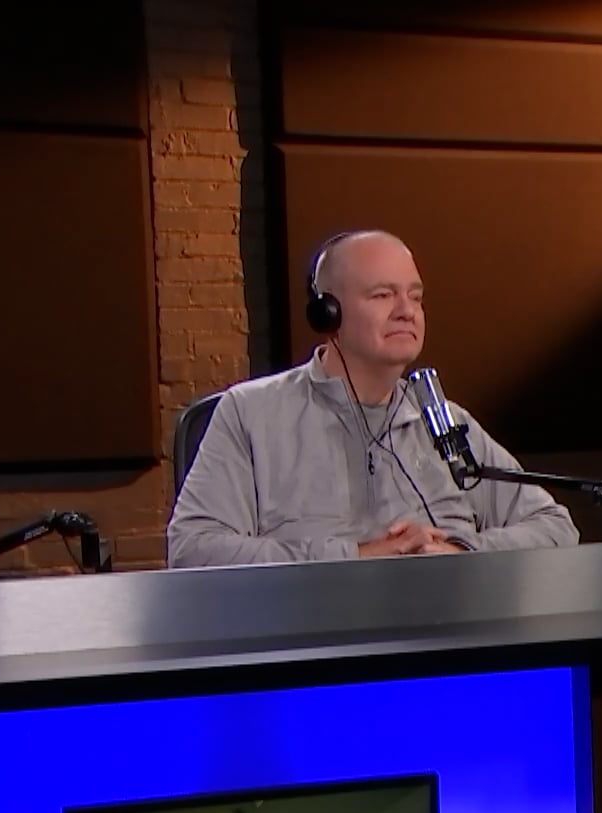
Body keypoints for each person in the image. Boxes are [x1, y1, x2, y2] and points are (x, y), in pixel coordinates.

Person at [167, 229, 579, 567]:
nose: (407, 311)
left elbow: (555, 527)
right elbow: (194, 550)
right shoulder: (251, 414)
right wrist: (356, 556)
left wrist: (456, 552)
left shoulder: (446, 424)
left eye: (415, 296)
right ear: (328, 313)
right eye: (382, 295)